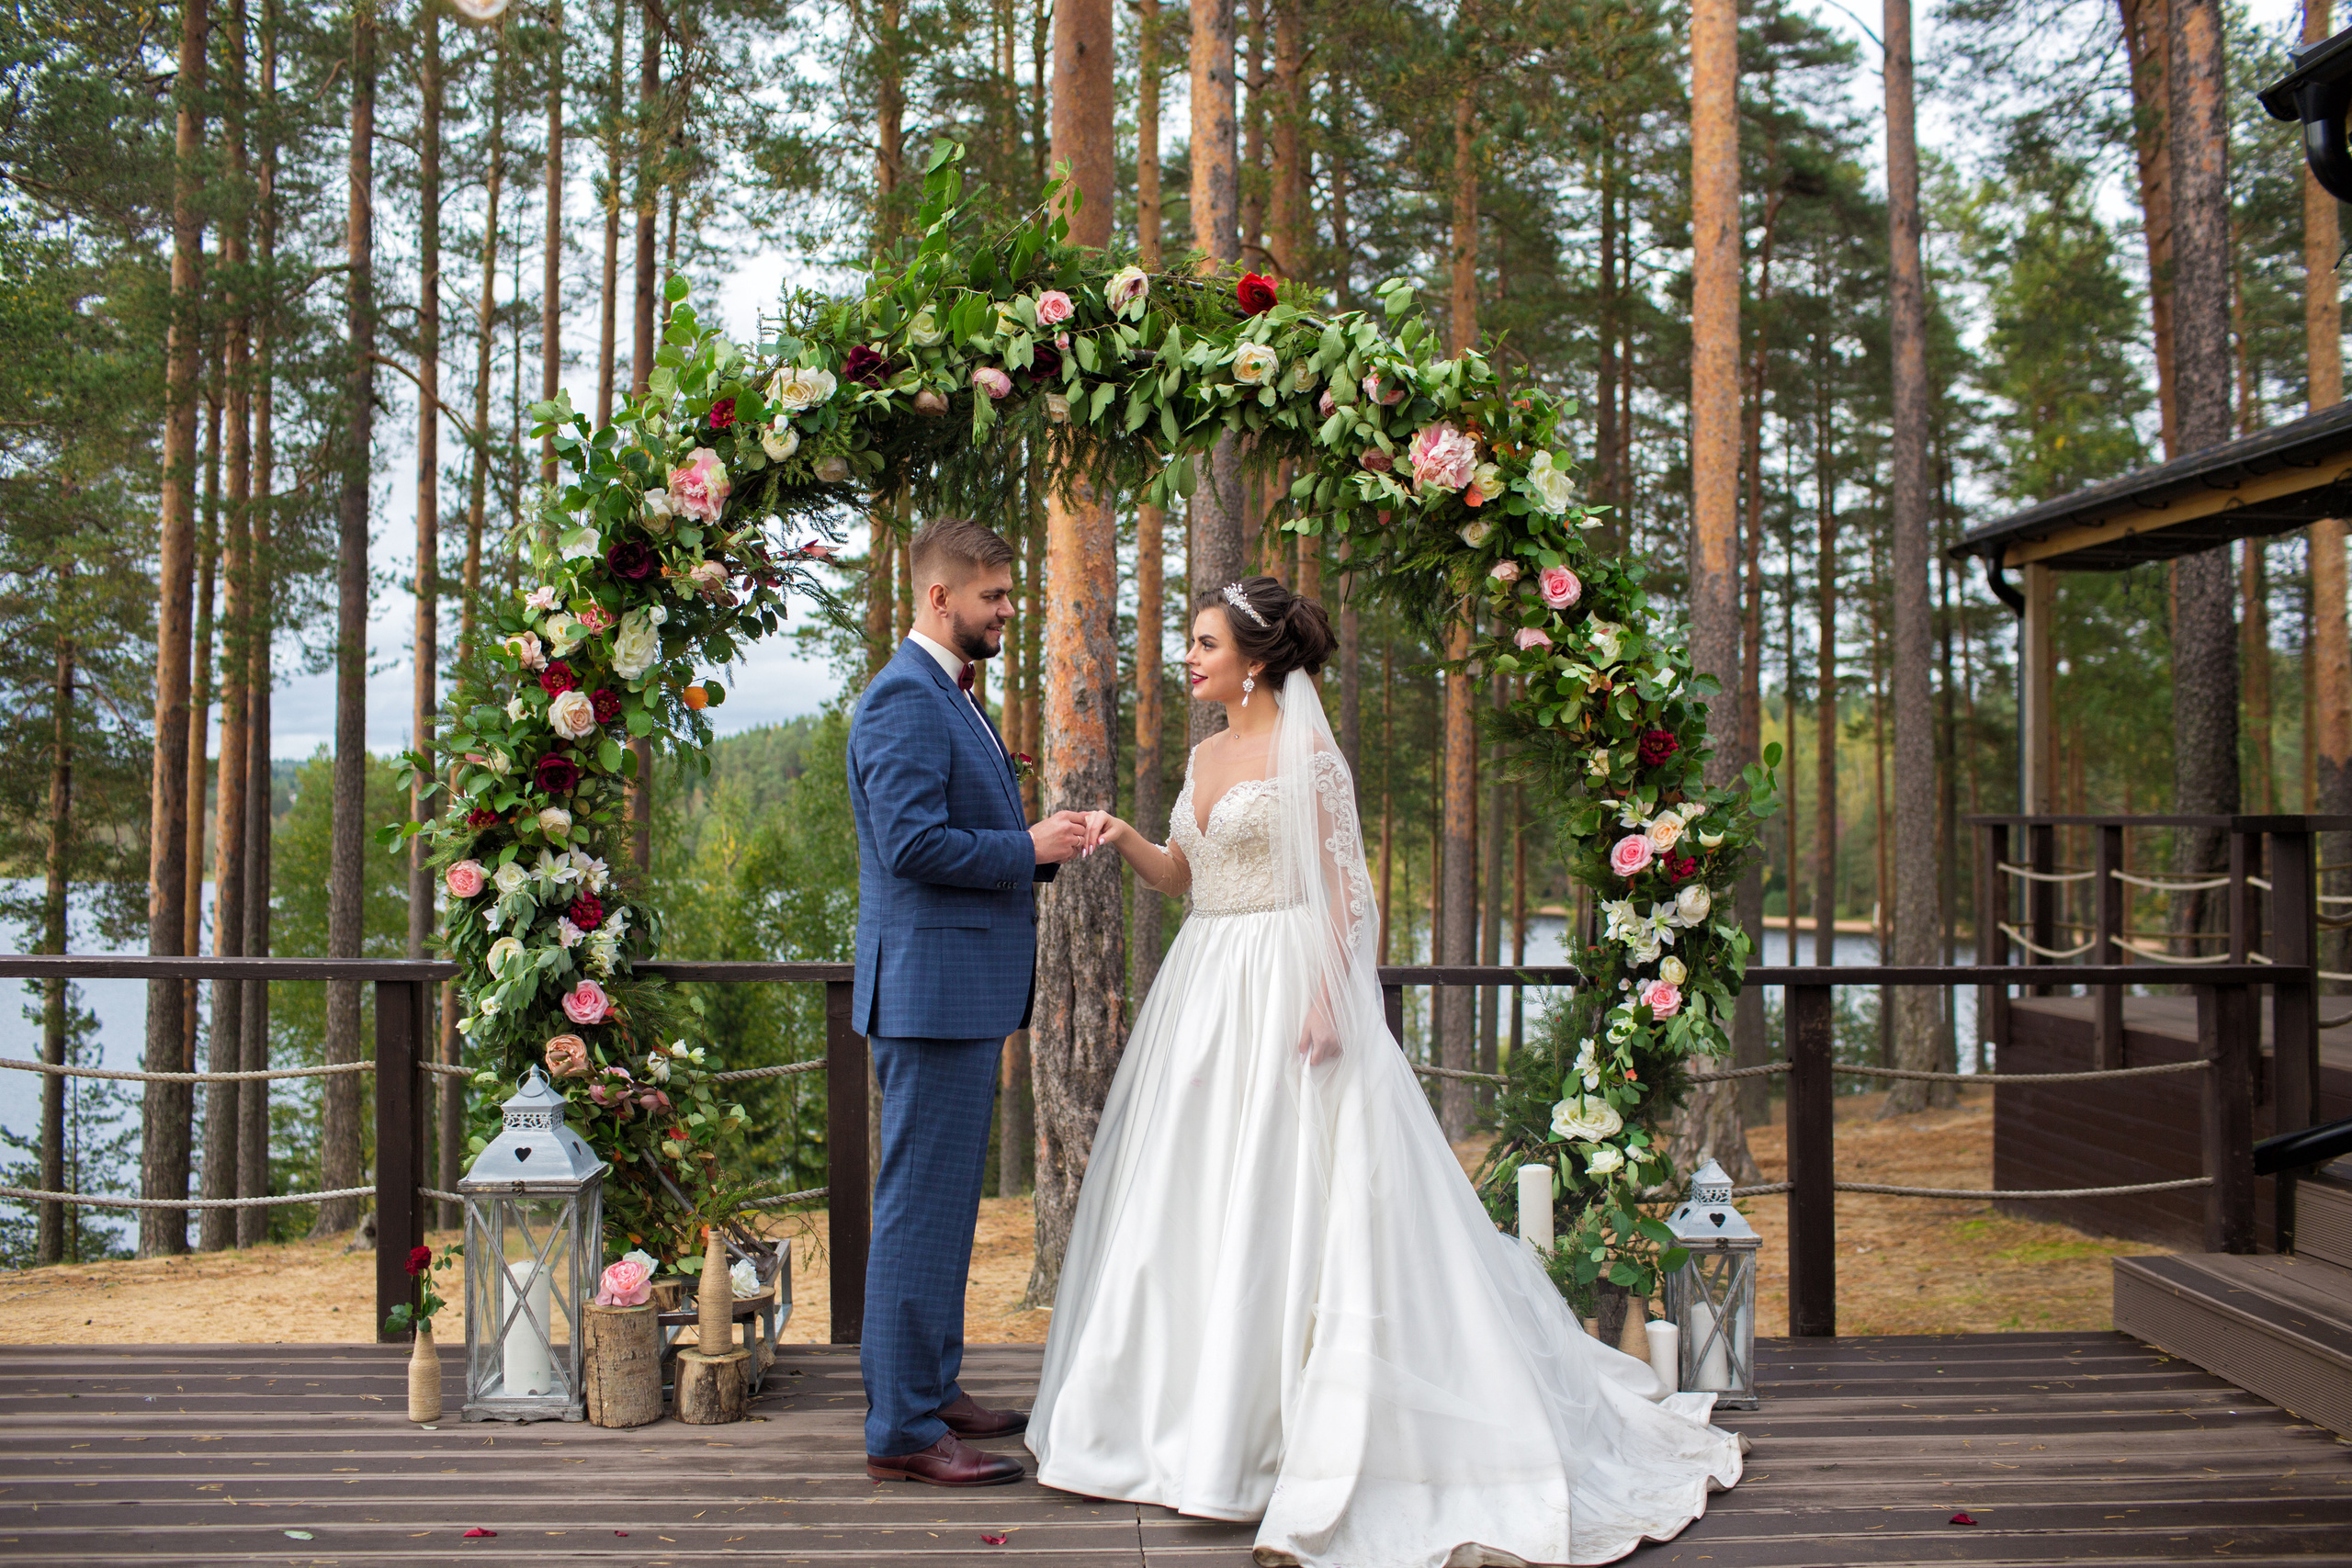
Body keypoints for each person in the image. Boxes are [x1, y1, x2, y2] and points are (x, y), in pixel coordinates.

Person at [1024, 576, 1745, 1565]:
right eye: (1189, 643)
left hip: (1286, 982)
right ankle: (1169, 1434)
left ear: (1257, 657)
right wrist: (1127, 839)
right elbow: (1187, 877)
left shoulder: (1309, 757)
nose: (1187, 658)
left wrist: (1330, 1000)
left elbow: (1349, 893)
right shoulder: (1202, 754)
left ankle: (1279, 1441)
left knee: (1288, 1198)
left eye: (1202, 643)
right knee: (1191, 1198)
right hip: (1204, 988)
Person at [846, 515, 1091, 1488]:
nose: (1006, 612)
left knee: (943, 1210)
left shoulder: (949, 694)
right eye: (992, 597)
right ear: (939, 598)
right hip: (927, 994)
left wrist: (1031, 840)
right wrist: (1027, 850)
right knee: (917, 1210)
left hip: (951, 991)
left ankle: (934, 1388)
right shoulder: (905, 700)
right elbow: (911, 845)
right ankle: (902, 1429)